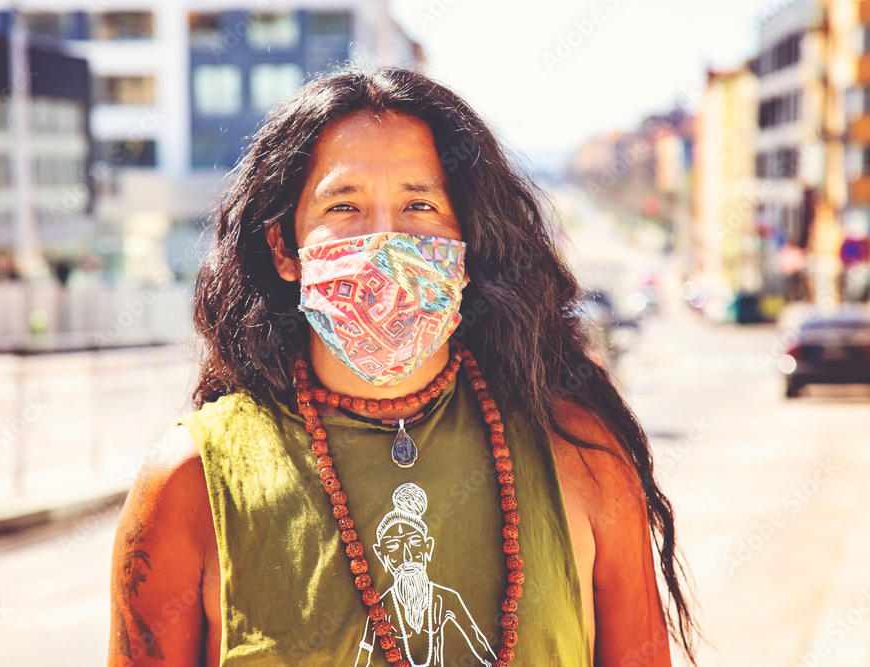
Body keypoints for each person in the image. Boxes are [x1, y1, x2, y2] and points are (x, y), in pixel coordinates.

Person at [108, 66, 695, 666]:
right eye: (344, 206)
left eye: (420, 205)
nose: (386, 242)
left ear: (468, 245)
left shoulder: (583, 455)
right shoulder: (189, 484)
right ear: (285, 249)